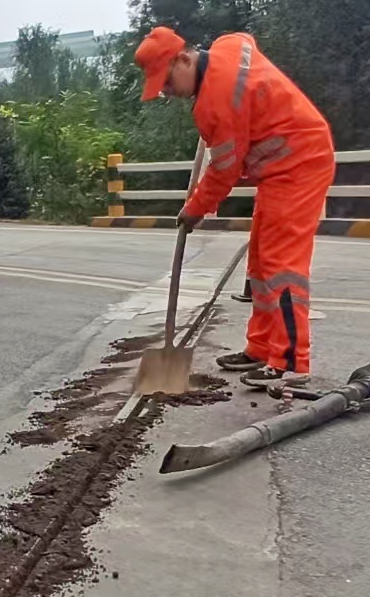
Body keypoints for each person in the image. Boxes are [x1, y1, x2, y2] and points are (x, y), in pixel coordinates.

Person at [134, 26, 336, 385]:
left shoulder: (214, 105)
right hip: (283, 168)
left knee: (281, 267)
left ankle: (291, 362)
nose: (167, 92)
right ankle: (260, 348)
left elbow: (224, 172)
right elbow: (245, 39)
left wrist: (194, 209)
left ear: (184, 59)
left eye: (166, 83)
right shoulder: (227, 47)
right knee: (260, 265)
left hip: (299, 165)